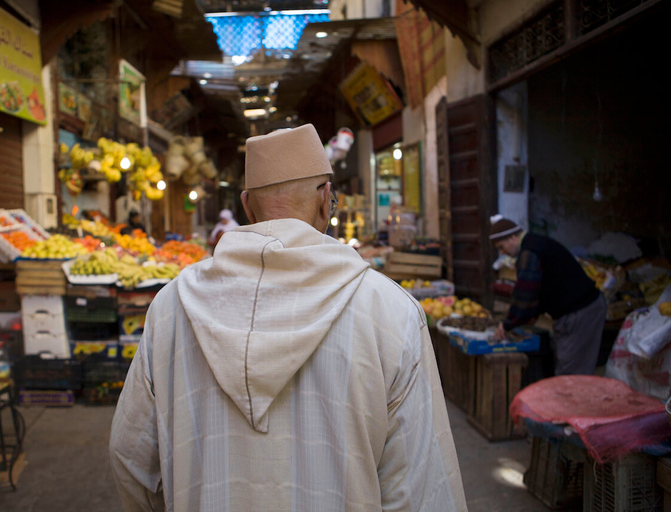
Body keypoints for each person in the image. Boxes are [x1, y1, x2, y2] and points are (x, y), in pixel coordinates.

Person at [110, 124, 466, 511]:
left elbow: (130, 457)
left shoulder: (170, 309)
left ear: (247, 207)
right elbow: (420, 486)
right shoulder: (389, 312)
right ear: (325, 199)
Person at [491, 215, 607, 375]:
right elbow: (541, 288)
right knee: (571, 369)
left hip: (581, 312)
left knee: (571, 374)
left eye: (501, 247)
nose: (503, 253)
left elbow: (526, 293)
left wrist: (509, 323)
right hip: (580, 310)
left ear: (512, 237)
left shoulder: (529, 251)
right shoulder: (535, 244)